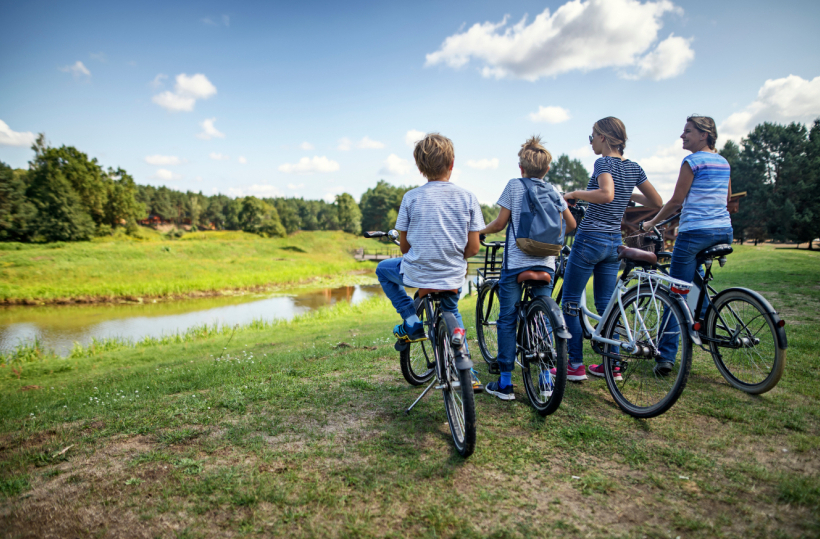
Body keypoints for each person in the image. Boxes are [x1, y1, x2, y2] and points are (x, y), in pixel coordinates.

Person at [559, 117, 663, 381]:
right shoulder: (634, 167)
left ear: (604, 137)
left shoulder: (603, 162)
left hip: (590, 238)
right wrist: (627, 193)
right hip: (614, 242)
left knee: (570, 301)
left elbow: (606, 194)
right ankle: (612, 364)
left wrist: (574, 194)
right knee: (607, 304)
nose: (591, 140)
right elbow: (656, 200)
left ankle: (575, 365)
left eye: (592, 135)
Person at [478, 136, 577, 401]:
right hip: (546, 262)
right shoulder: (554, 190)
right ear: (546, 170)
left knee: (507, 319)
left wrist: (479, 231)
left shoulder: (514, 185)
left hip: (516, 264)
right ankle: (545, 378)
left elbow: (500, 224)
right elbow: (571, 225)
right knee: (544, 316)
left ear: (521, 167)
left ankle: (505, 383)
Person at [375, 132, 484, 354]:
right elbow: (473, 248)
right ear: (452, 163)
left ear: (420, 167)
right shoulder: (468, 197)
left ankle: (411, 319)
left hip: (417, 274)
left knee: (382, 270)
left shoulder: (411, 198)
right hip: (452, 274)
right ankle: (469, 373)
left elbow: (404, 248)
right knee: (452, 311)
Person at [642, 115, 733, 374]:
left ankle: (665, 355)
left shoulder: (692, 161)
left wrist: (651, 223)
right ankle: (704, 326)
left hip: (695, 234)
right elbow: (725, 198)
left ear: (704, 134)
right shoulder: (723, 162)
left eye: (688, 131)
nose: (682, 136)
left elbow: (675, 202)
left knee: (676, 293)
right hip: (723, 231)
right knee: (696, 281)